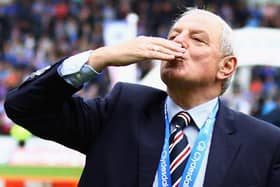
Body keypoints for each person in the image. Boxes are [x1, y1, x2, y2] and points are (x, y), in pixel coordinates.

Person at [4, 8, 280, 187]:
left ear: (226, 67)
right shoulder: (122, 109)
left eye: (197, 39)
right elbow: (24, 106)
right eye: (173, 35)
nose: (177, 43)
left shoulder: (265, 144)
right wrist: (100, 57)